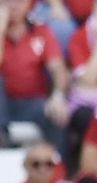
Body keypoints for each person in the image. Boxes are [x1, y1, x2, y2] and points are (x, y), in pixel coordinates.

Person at [0, 3, 72, 151]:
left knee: (56, 114)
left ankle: (59, 168)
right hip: (3, 104)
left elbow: (57, 68)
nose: (13, 5)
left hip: (32, 104)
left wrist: (58, 96)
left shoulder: (40, 30)